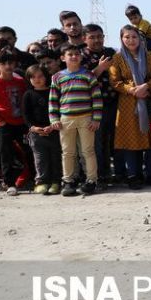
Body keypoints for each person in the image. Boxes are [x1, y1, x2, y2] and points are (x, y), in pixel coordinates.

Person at [109, 25, 151, 189]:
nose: (131, 40)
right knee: (131, 141)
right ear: (122, 39)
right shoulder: (117, 58)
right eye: (127, 37)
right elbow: (115, 81)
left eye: (134, 37)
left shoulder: (150, 57)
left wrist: (145, 86)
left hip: (149, 102)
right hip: (128, 105)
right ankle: (133, 175)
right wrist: (132, 90)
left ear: (140, 39)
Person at [49, 43, 102, 196]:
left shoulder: (89, 75)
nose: (73, 56)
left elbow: (96, 98)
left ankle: (91, 180)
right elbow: (53, 100)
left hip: (86, 118)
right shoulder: (57, 77)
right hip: (66, 119)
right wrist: (54, 118)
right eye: (70, 54)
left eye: (76, 54)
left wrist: (96, 118)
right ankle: (68, 181)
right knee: (68, 152)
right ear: (62, 58)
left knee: (87, 151)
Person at [0, 51, 27, 195]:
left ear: (15, 64)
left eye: (10, 63)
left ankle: (32, 177)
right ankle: (9, 183)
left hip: (21, 122)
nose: (7, 66)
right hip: (4, 124)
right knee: (5, 153)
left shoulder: (21, 81)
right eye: (3, 63)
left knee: (28, 150)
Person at [81, 23, 117, 184]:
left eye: (99, 36)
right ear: (84, 39)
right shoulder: (79, 56)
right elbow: (81, 81)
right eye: (92, 37)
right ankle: (100, 176)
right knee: (97, 142)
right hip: (93, 106)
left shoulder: (111, 53)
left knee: (115, 140)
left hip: (115, 102)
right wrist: (100, 68)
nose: (97, 40)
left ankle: (118, 173)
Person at [22, 65, 61, 195]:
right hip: (36, 132)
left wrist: (52, 126)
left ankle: (56, 182)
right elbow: (25, 115)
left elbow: (59, 109)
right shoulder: (28, 94)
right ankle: (42, 182)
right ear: (28, 79)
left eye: (40, 76)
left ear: (46, 77)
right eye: (33, 77)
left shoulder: (53, 91)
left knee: (56, 156)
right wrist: (33, 127)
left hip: (54, 129)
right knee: (40, 158)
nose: (37, 79)